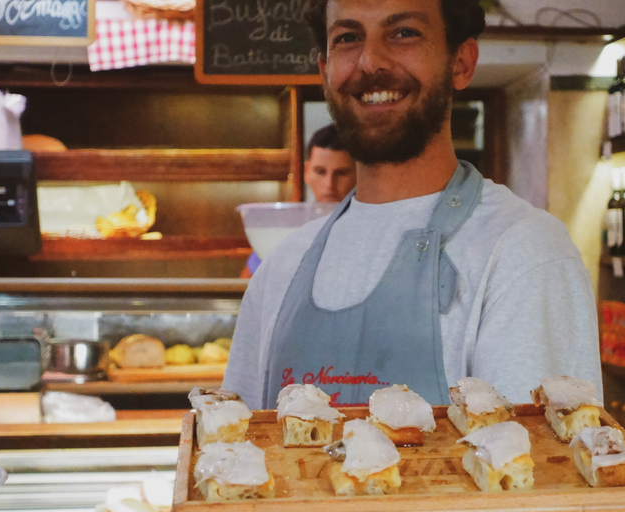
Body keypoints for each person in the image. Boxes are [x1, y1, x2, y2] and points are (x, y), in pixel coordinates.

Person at [224, 0, 602, 408]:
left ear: (461, 62)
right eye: (348, 38)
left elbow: (544, 467)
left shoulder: (523, 252)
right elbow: (233, 449)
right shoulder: (282, 267)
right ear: (325, 71)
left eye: (404, 32)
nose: (370, 62)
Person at [239, 123, 356, 277]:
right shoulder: (286, 230)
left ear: (359, 175)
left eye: (341, 173)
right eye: (320, 172)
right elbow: (244, 291)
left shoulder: (373, 229)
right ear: (306, 172)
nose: (329, 184)